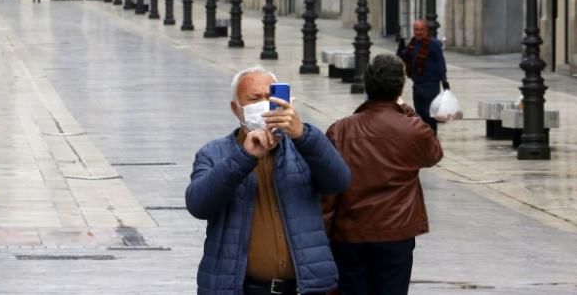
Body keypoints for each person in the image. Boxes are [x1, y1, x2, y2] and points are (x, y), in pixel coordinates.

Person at [186, 67, 351, 295]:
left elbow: (339, 180)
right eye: (254, 99)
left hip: (302, 288)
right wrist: (244, 157)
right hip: (243, 288)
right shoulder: (214, 153)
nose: (264, 104)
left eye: (270, 98)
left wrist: (303, 134)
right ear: (237, 109)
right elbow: (198, 204)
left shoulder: (304, 145)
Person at [324, 53, 444, 295]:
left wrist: (323, 234)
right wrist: (406, 111)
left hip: (350, 233)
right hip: (396, 233)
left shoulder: (341, 130)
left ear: (367, 86)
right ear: (400, 87)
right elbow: (433, 154)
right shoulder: (413, 129)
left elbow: (328, 191)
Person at [396, 19, 449, 134]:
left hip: (431, 85)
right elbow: (404, 57)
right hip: (417, 85)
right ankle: (424, 139)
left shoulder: (434, 44)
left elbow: (441, 63)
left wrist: (444, 80)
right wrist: (400, 45)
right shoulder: (413, 43)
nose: (418, 32)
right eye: (416, 30)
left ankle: (432, 139)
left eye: (421, 30)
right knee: (420, 116)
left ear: (426, 30)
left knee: (430, 116)